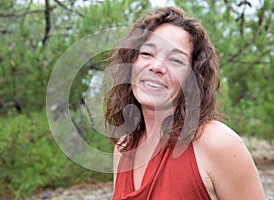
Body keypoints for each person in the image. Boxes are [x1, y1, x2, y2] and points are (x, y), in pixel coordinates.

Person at [104, 6, 265, 200]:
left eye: (175, 60)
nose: (156, 67)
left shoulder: (216, 142)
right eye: (147, 53)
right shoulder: (123, 148)